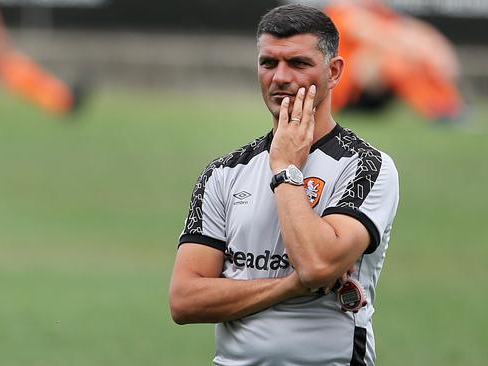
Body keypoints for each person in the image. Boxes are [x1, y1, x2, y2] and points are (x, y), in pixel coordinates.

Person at [169, 4, 399, 365]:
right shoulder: (223, 173)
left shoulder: (365, 166)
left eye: (298, 63)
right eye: (268, 63)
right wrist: (290, 286)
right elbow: (184, 300)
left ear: (334, 71)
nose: (280, 77)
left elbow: (316, 265)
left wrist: (285, 171)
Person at [326, 0, 463, 120]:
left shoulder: (380, 13)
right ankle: (435, 107)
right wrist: (418, 51)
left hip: (372, 92)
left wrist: (436, 49)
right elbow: (376, 35)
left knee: (407, 54)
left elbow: (408, 29)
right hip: (346, 92)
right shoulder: (342, 11)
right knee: (392, 60)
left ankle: (448, 104)